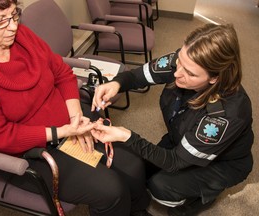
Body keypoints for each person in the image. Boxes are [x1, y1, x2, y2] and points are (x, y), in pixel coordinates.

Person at [0, 1, 152, 215]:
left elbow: (63, 74)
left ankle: (137, 210)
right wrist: (64, 131)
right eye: (1, 21)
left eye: (14, 15)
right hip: (29, 152)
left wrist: (75, 118)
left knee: (133, 163)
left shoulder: (24, 36)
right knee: (111, 190)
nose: (12, 26)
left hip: (68, 122)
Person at [91, 23, 254, 216]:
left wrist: (127, 136)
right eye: (180, 62)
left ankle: (199, 198)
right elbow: (139, 76)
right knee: (135, 167)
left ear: (214, 78)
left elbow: (175, 161)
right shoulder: (184, 61)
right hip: (181, 138)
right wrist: (117, 83)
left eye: (190, 73)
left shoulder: (225, 115)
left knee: (160, 186)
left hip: (222, 163)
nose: (176, 73)